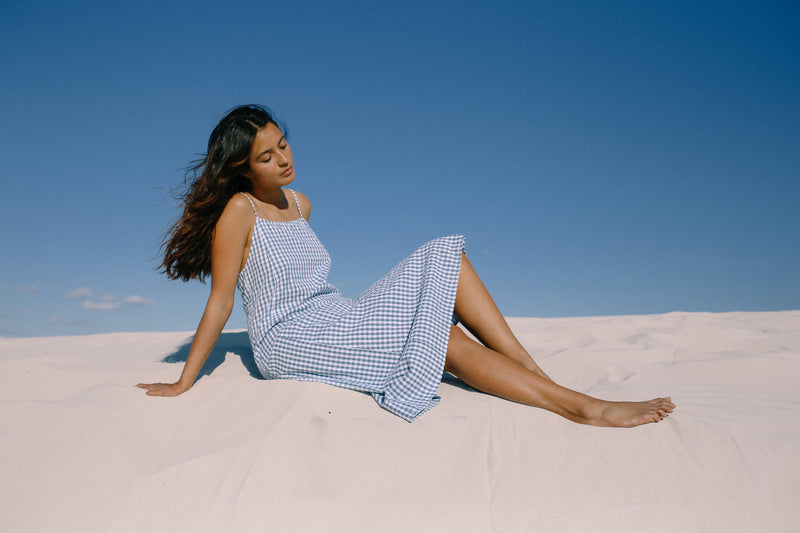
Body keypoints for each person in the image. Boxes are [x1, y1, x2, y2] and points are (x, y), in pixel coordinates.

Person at [137, 105, 675, 427]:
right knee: (439, 335)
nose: (283, 159)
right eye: (266, 156)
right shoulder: (239, 211)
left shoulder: (301, 204)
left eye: (283, 144)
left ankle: (536, 378)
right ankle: (582, 408)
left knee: (446, 257)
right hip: (290, 338)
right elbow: (223, 300)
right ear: (241, 168)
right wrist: (185, 381)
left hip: (335, 313)